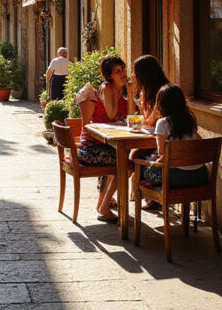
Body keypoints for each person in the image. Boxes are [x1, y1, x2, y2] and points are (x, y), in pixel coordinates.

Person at [77, 55, 130, 222]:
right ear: (109, 76)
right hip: (90, 148)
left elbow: (130, 114)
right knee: (126, 165)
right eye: (118, 71)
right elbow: (112, 115)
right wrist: (118, 89)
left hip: (105, 144)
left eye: (123, 69)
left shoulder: (119, 89)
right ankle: (104, 206)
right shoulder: (107, 88)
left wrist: (131, 91)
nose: (123, 73)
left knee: (123, 158)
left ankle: (103, 203)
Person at [139, 83, 208, 188]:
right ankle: (155, 187)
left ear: (161, 104)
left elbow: (162, 153)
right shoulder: (191, 119)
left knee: (143, 168)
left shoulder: (162, 123)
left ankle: (151, 192)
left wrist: (153, 162)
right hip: (200, 175)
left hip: (176, 177)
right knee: (153, 163)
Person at [128, 55, 170, 207]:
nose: (133, 76)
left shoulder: (161, 91)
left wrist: (142, 119)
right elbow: (143, 116)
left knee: (133, 156)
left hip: (161, 140)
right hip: (155, 137)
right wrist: (133, 93)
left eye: (135, 72)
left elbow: (150, 119)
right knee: (131, 154)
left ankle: (143, 194)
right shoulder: (147, 89)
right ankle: (141, 194)